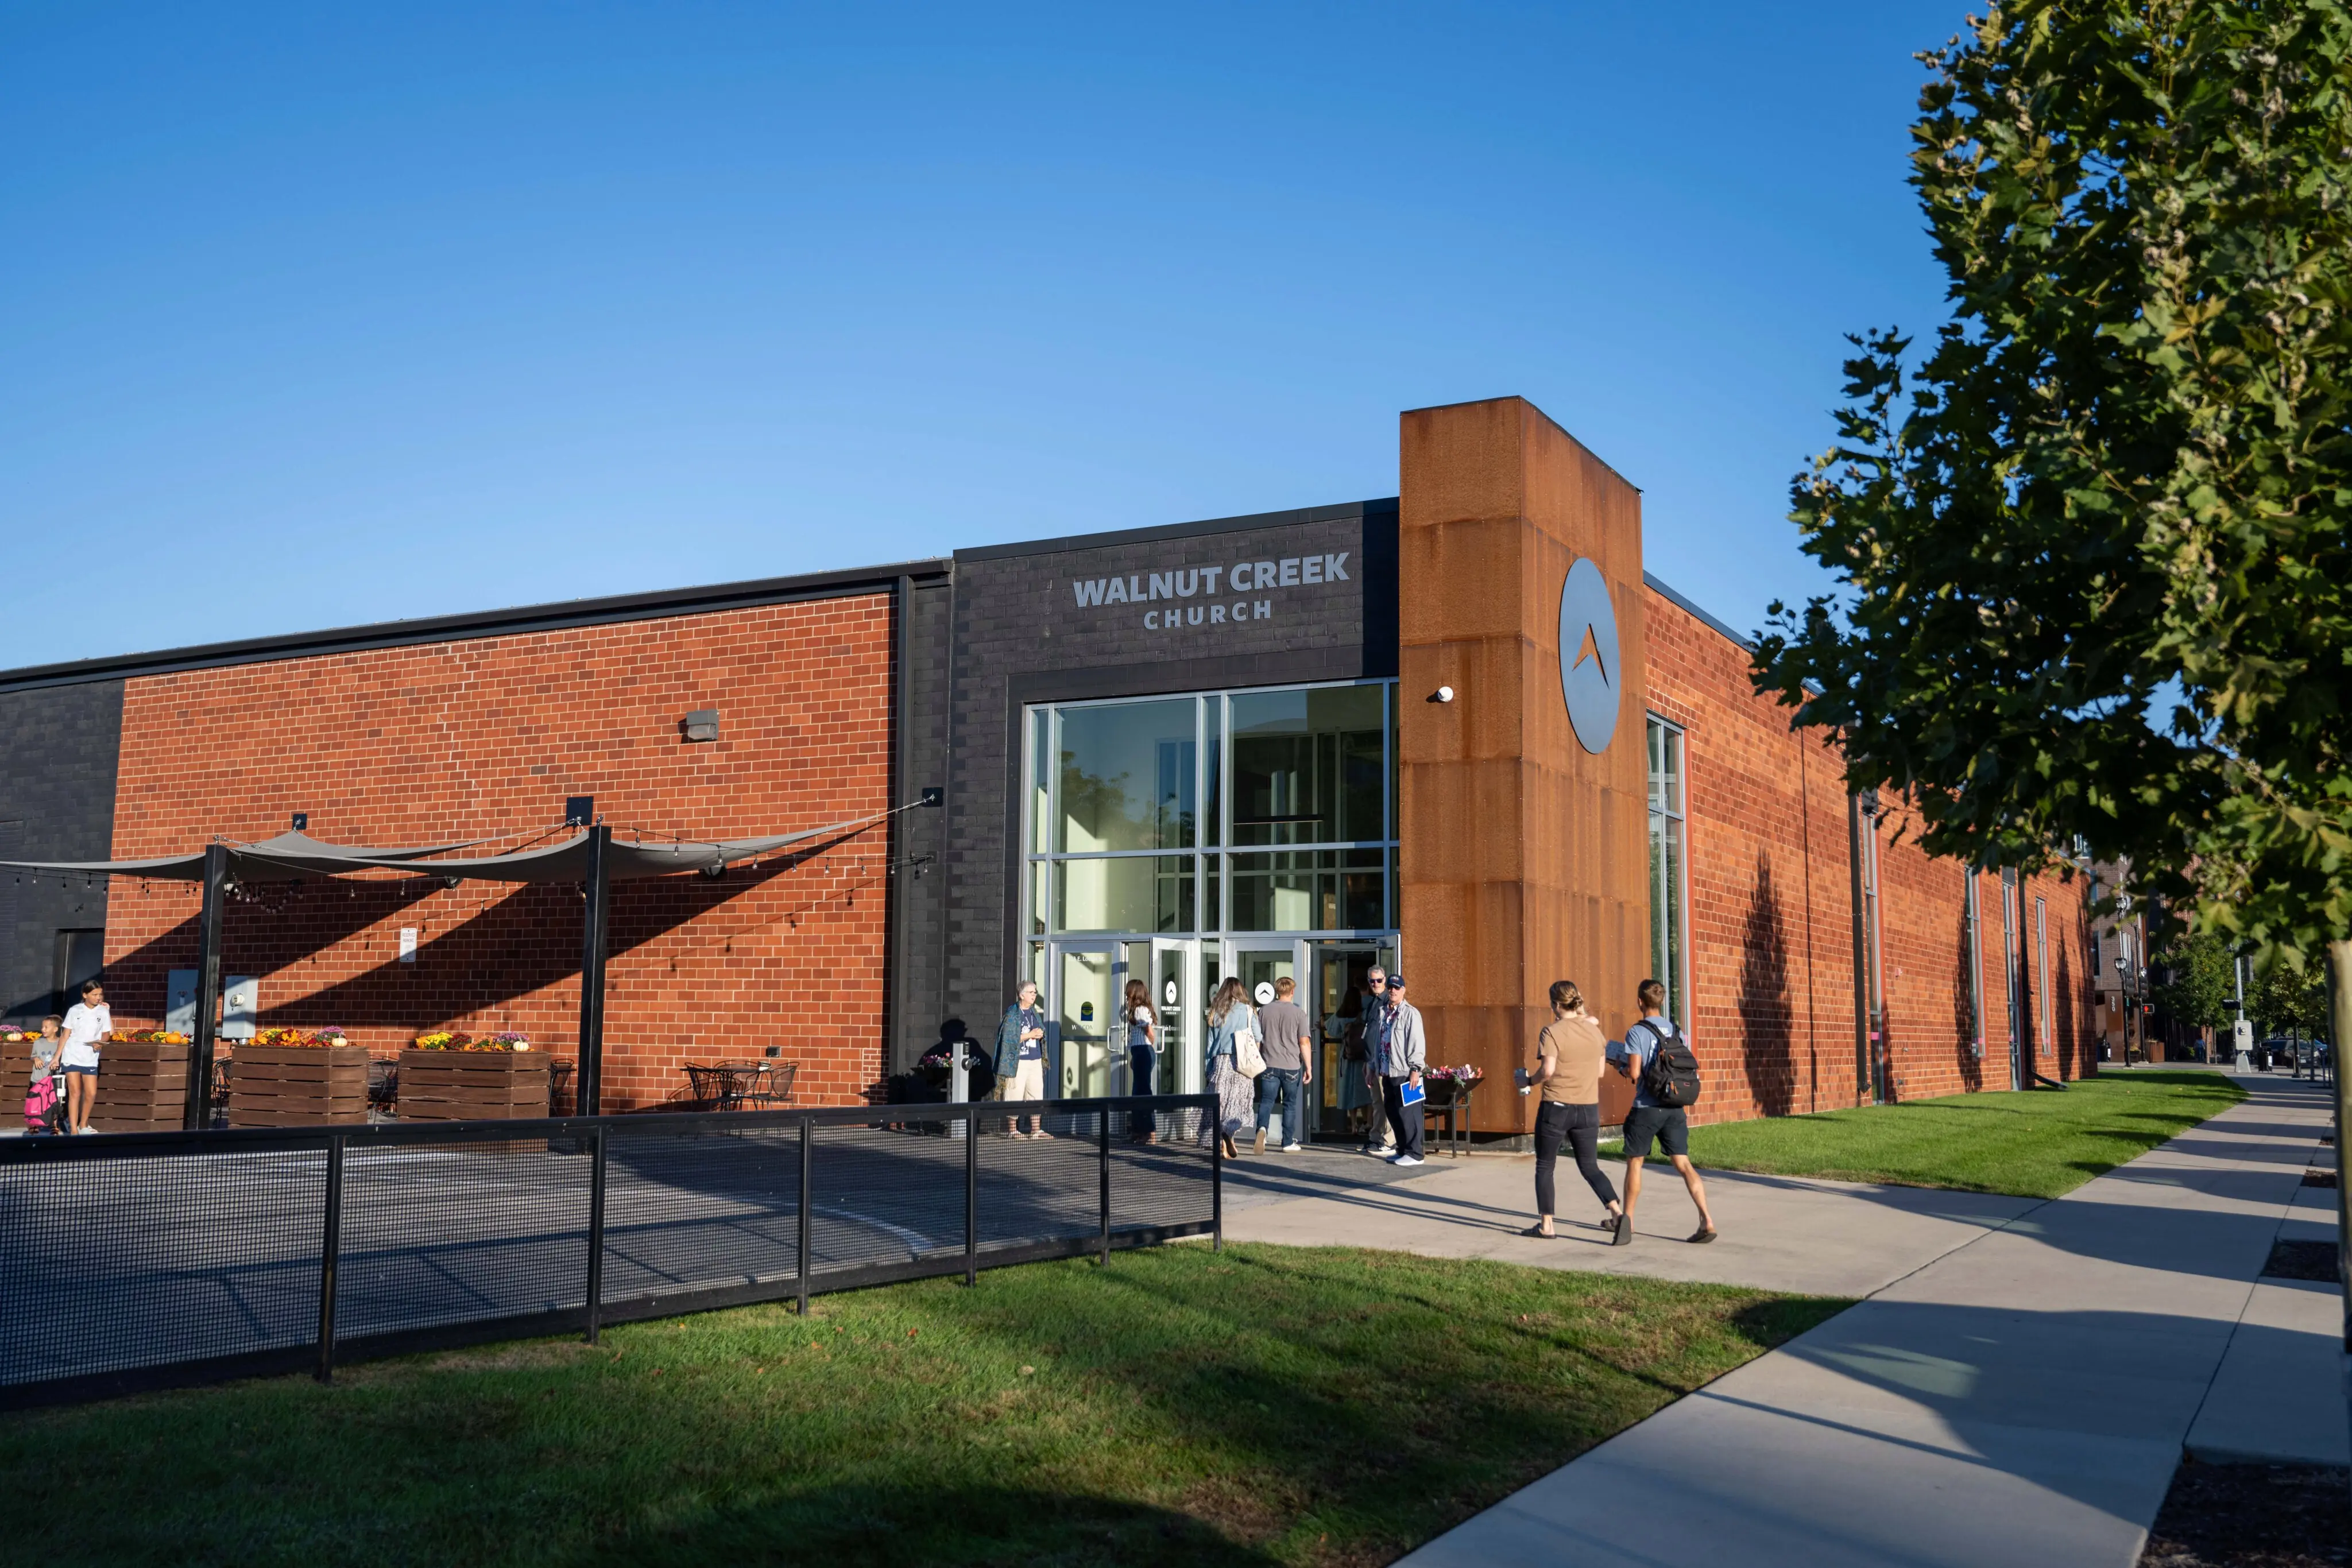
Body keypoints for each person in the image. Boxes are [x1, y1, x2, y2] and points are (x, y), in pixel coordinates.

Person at [1606, 978, 1717, 1244]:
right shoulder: (1678, 1032)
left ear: (1640, 1002)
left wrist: (1618, 1065)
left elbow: (1634, 1073)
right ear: (1661, 1001)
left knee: (1635, 1163)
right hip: (1675, 1107)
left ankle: (1627, 1224)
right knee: (1683, 1164)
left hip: (1646, 1108)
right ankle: (1707, 1221)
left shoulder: (1637, 1032)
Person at [1521, 980, 1622, 1238]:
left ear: (1555, 1005)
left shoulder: (1552, 1032)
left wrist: (1528, 1081)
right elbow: (1600, 1072)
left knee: (1545, 1166)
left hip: (1557, 1107)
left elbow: (1548, 1071)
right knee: (1590, 1166)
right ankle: (1618, 1214)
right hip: (1588, 1108)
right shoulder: (1595, 1033)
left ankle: (1547, 1226)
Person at [1252, 975, 1312, 1153]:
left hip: (1269, 1064)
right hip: (1291, 1066)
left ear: (1277, 991)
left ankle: (1262, 1129)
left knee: (1267, 1101)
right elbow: (1304, 1042)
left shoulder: (1264, 1011)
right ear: (1292, 991)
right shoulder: (1299, 1013)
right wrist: (1308, 1067)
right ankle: (1287, 1142)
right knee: (1289, 1104)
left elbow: (1259, 1039)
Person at [1372, 973, 1427, 1166]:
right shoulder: (1383, 1012)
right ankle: (1403, 1149)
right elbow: (1379, 1042)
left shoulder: (1411, 1013)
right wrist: (1373, 1066)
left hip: (1405, 1072)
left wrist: (1416, 1068)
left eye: (1397, 988)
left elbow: (1417, 1042)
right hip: (1387, 1071)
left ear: (1404, 990)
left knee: (1409, 1114)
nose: (1393, 991)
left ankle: (1415, 1154)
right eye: (1391, 988)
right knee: (1393, 1112)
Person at [1200, 977, 1256, 1159]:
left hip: (1221, 1062)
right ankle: (1229, 1135)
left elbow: (1210, 1045)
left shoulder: (1218, 1012)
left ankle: (1222, 1143)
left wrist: (1209, 1068)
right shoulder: (1248, 1011)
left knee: (1220, 1103)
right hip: (1241, 1062)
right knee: (1237, 1103)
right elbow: (1259, 1036)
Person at [992, 981, 1051, 1139]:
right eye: (1031, 992)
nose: (1034, 995)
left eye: (1035, 992)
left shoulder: (1034, 1013)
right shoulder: (1012, 1014)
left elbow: (1038, 1032)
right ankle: (1013, 1130)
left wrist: (1040, 1035)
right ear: (1022, 995)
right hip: (1017, 1062)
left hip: (1035, 1060)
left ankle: (1036, 1130)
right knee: (1014, 1094)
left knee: (1036, 1094)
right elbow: (1008, 1039)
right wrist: (1030, 1035)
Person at [1354, 965, 1397, 1155]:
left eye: (1379, 980)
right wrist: (1368, 1062)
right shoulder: (1373, 1003)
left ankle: (1388, 1140)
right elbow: (1369, 1033)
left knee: (1387, 1102)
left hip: (1384, 1062)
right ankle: (1375, 1138)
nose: (1376, 984)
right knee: (1377, 1103)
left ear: (1385, 980)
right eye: (1372, 981)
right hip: (1372, 1061)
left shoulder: (1389, 1001)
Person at [59, 978, 110, 1136]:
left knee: (91, 1093)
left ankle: (83, 1124)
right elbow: (65, 1034)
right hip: (72, 1055)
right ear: (85, 995)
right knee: (75, 1092)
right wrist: (56, 1057)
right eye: (94, 994)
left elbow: (106, 1033)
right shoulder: (75, 1010)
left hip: (90, 1058)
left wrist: (100, 1043)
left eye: (100, 994)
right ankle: (74, 1129)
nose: (98, 998)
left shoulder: (103, 1011)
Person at [1123, 977, 1158, 1144]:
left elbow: (1149, 1033)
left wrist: (1147, 1047)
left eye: (1128, 993)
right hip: (1140, 1052)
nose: (1126, 996)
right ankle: (1138, 1130)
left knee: (1143, 1092)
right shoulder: (1137, 1010)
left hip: (1143, 1051)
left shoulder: (1140, 1010)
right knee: (1138, 1092)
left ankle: (1149, 1131)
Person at [26, 1014, 64, 1135]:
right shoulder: (38, 1042)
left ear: (56, 1029)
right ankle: (33, 1124)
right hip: (38, 1078)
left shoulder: (61, 1043)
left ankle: (54, 1125)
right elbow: (33, 1056)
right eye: (43, 1027)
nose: (43, 1029)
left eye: (46, 1027)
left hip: (53, 1079)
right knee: (34, 1101)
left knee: (54, 1103)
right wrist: (36, 1059)